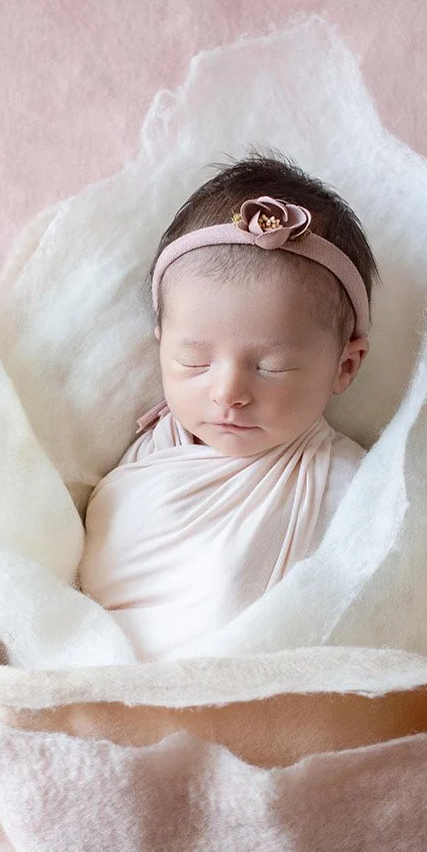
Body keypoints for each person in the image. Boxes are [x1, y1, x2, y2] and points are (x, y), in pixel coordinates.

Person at [78, 154, 378, 660]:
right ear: (161, 347)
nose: (227, 392)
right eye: (193, 362)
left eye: (272, 367)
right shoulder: (147, 457)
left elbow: (370, 613)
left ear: (344, 367)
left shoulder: (355, 486)